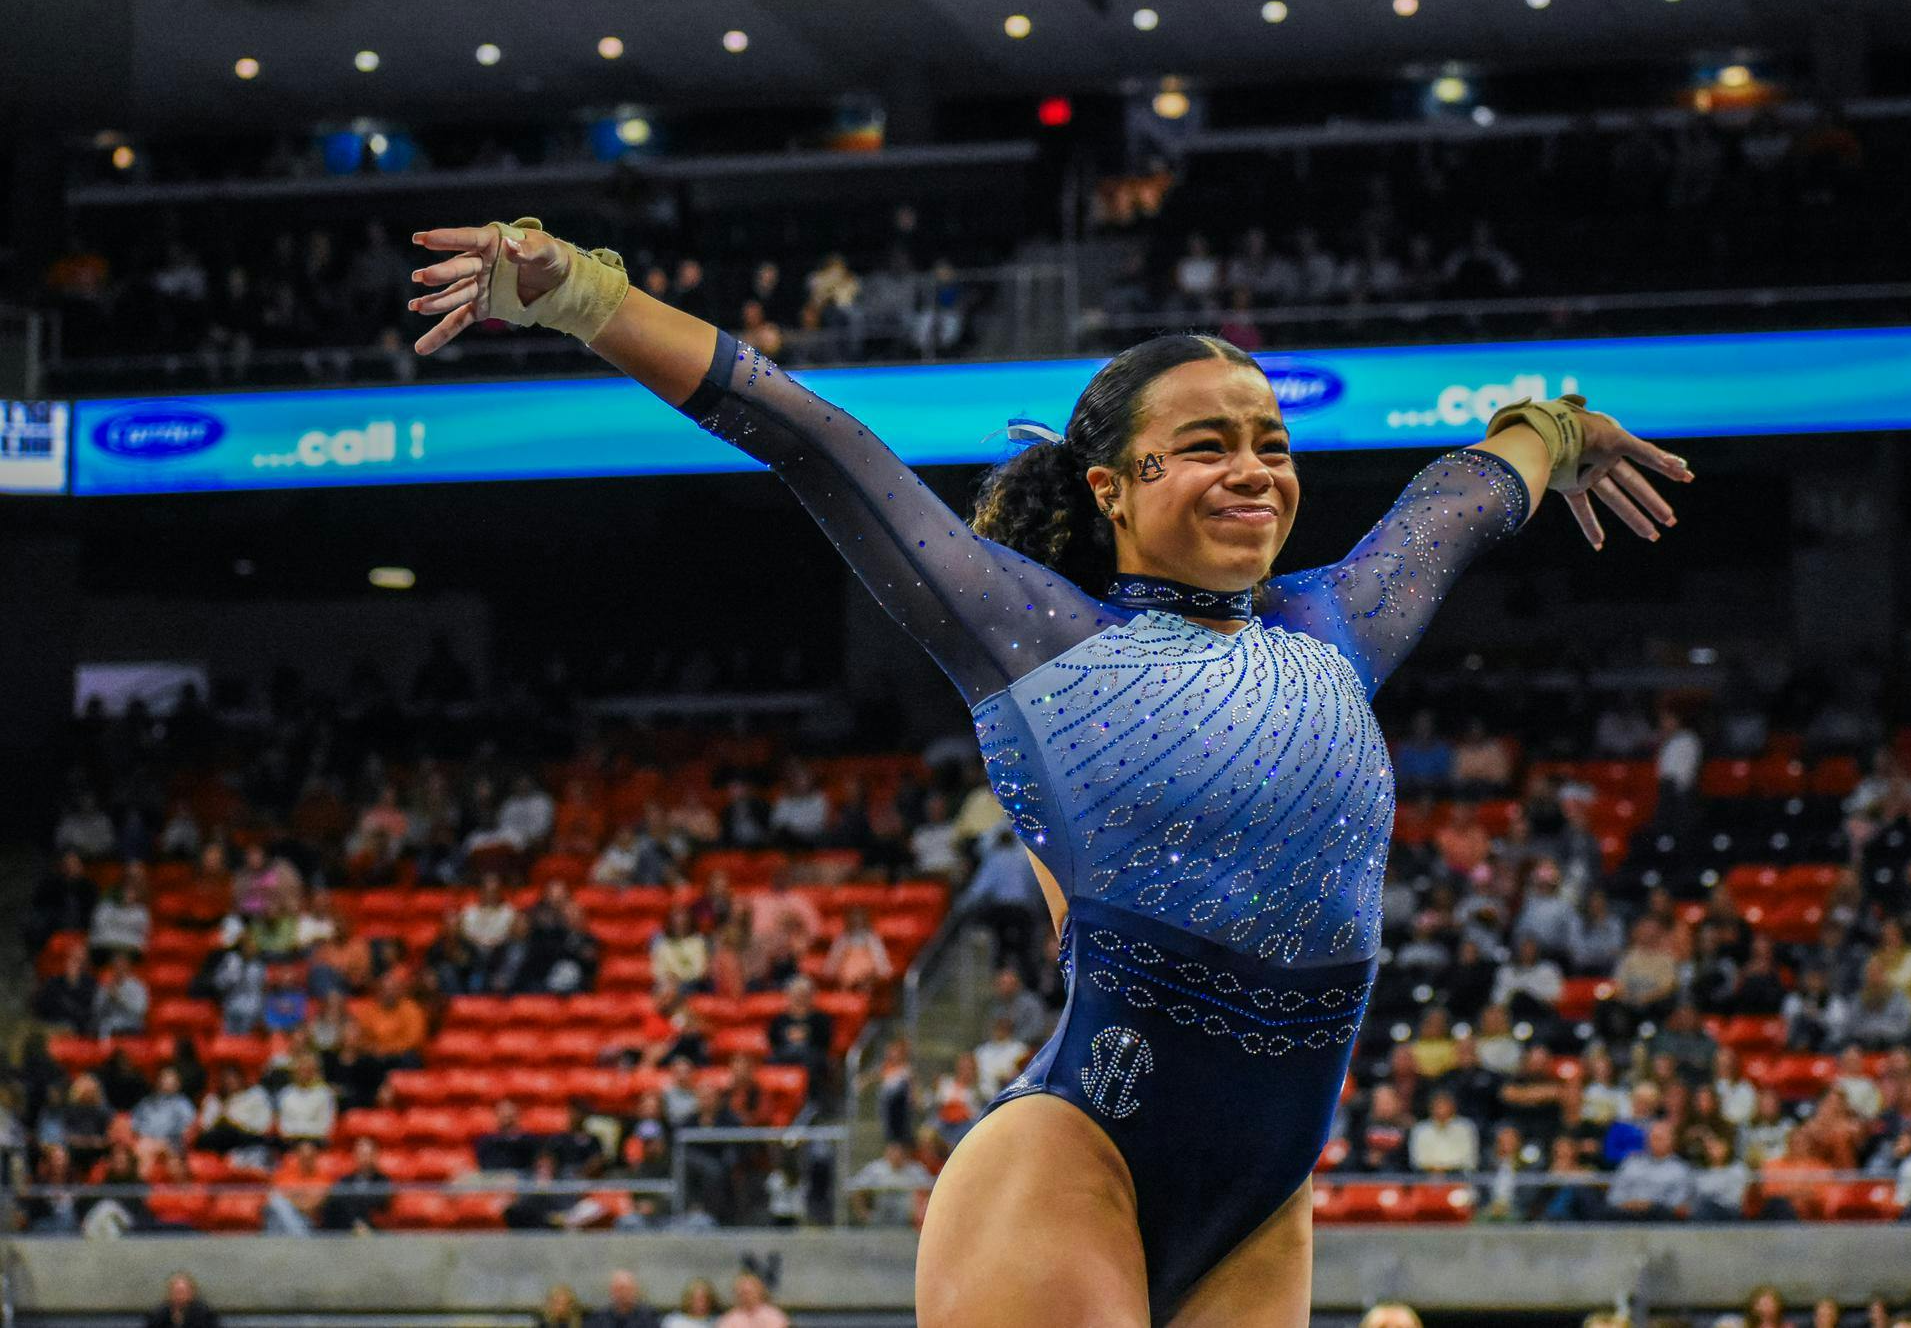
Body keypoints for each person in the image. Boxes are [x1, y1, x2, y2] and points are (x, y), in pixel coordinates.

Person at [406, 215, 1690, 1327]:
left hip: (1265, 1193)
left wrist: (1554, 428)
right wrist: (583, 295)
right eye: (1203, 444)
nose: (1252, 467)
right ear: (1112, 487)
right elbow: (815, 442)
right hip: (1075, 1155)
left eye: (1270, 443)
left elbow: (1460, 502)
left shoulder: (1333, 628)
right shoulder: (1037, 640)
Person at [144, 1271, 222, 1328]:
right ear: (169, 1293)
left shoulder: (204, 1314)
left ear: (192, 1293)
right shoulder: (159, 1314)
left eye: (183, 1292)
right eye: (176, 1292)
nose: (179, 1296)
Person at [584, 1270, 654, 1328]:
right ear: (611, 1291)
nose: (623, 1294)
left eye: (628, 1289)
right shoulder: (598, 1320)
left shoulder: (648, 1319)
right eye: (619, 1289)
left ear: (635, 1291)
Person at [716, 1273, 789, 1328]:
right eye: (742, 1293)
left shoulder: (774, 1316)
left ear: (760, 1292)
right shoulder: (729, 1318)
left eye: (749, 1292)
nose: (746, 1297)